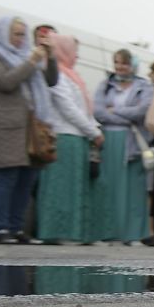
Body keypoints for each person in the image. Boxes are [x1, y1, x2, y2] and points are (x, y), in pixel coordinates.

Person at [35, 33, 102, 244]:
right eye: (74, 51)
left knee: (74, 189)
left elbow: (82, 108)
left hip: (77, 137)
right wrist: (93, 131)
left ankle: (74, 231)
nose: (77, 56)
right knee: (62, 189)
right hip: (65, 136)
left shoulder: (72, 75)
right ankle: (57, 231)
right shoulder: (58, 76)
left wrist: (92, 128)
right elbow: (68, 108)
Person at [0, 13, 52, 244]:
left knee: (27, 178)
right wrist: (30, 63)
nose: (20, 39)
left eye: (22, 34)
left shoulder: (26, 56)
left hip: (31, 127)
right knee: (8, 177)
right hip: (7, 126)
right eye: (16, 34)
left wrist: (47, 57)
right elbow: (5, 82)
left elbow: (50, 80)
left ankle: (17, 228)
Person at [92, 48, 152, 245]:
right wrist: (125, 115)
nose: (120, 67)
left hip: (132, 141)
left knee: (133, 189)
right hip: (109, 141)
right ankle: (108, 233)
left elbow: (142, 111)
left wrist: (115, 110)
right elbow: (99, 112)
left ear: (132, 65)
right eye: (117, 62)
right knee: (108, 187)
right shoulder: (105, 85)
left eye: (124, 63)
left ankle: (133, 235)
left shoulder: (144, 86)